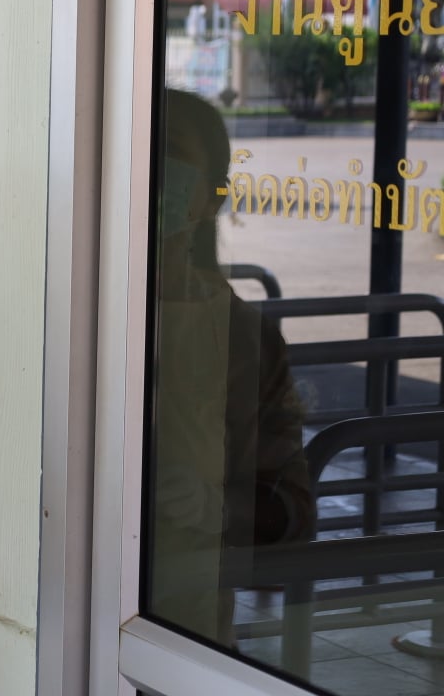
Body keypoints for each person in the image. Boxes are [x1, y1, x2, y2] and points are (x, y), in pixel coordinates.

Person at [150, 88, 314, 647]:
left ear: (211, 196)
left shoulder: (247, 338)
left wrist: (217, 510)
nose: (151, 164)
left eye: (170, 152)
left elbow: (292, 512)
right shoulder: (69, 315)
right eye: (142, 144)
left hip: (182, 634)